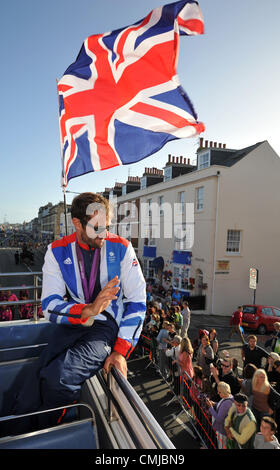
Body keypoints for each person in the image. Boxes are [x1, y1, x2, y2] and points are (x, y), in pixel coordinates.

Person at [10, 192, 146, 427]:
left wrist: (120, 350)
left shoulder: (122, 248)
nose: (104, 233)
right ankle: (19, 433)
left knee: (58, 379)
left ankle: (49, 434)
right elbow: (49, 306)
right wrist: (87, 310)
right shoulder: (56, 250)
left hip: (105, 327)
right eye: (97, 227)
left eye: (107, 226)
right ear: (77, 224)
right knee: (34, 379)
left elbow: (137, 300)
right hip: (75, 320)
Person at [206, 381, 234, 449]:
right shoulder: (230, 397)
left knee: (222, 446)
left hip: (222, 430)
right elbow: (221, 405)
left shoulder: (226, 403)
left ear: (224, 392)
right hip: (225, 429)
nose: (218, 393)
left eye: (219, 392)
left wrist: (210, 407)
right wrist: (215, 404)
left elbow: (219, 419)